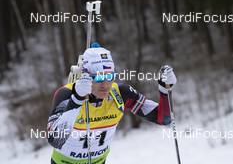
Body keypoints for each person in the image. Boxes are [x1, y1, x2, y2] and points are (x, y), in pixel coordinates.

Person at [47, 42, 177, 164]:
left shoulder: (120, 94)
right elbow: (55, 139)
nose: (105, 85)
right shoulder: (67, 94)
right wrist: (77, 100)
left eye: (109, 77)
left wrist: (164, 90)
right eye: (98, 78)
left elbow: (163, 119)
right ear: (85, 76)